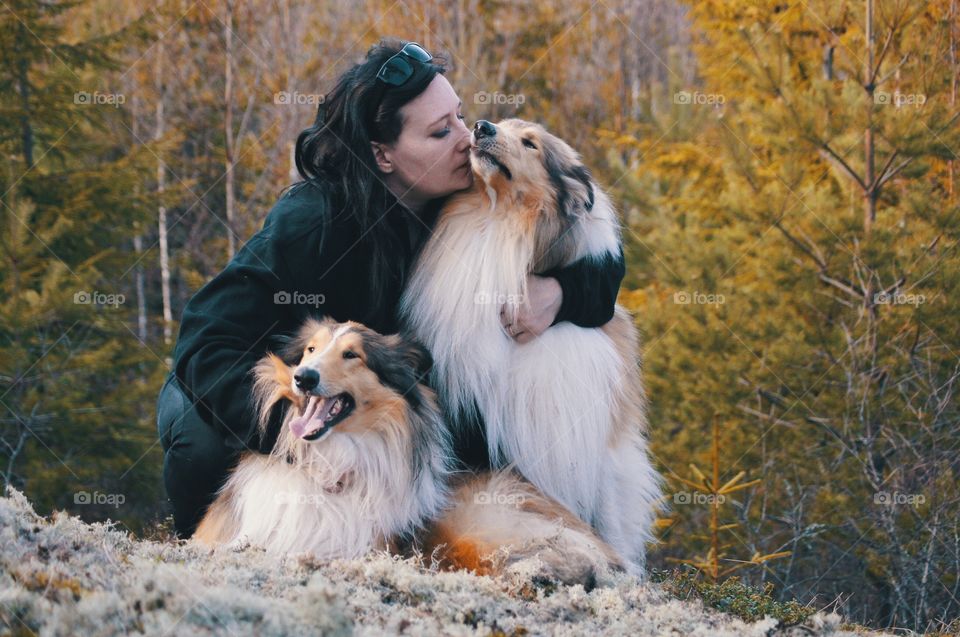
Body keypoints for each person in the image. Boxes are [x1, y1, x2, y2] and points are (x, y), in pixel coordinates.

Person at [156, 38, 626, 539]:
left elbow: (596, 253)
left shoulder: (456, 192)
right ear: (383, 155)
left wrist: (559, 294)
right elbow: (206, 340)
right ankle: (201, 547)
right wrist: (292, 435)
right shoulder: (313, 224)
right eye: (440, 131)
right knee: (206, 448)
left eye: (461, 118)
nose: (466, 139)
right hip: (246, 402)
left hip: (364, 407)